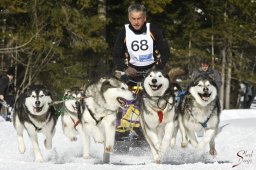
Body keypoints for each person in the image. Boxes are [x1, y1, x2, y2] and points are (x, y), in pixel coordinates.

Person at [113, 3, 171, 86]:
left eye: (139, 19)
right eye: (133, 19)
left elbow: (165, 52)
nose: (136, 22)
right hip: (132, 72)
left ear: (144, 18)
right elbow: (116, 55)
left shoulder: (153, 29)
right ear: (129, 18)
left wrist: (158, 67)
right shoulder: (124, 32)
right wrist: (126, 68)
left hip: (152, 71)